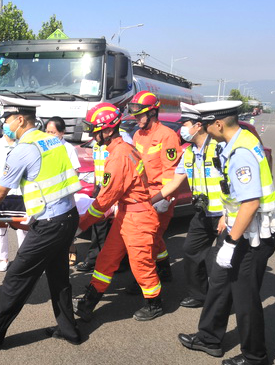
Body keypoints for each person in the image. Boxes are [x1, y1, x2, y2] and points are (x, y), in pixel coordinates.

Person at [0, 97, 83, 350]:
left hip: (50, 225)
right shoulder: (53, 140)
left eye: (6, 120)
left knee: (16, 277)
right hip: (68, 218)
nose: (4, 126)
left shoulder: (24, 148)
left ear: (20, 119)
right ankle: (69, 330)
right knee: (59, 277)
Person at [178, 100, 275, 365]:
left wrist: (232, 242)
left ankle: (255, 356)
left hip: (251, 236)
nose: (203, 129)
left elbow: (251, 202)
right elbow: (234, 194)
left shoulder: (240, 153)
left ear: (219, 124)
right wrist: (226, 215)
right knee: (220, 282)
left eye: (205, 124)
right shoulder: (237, 141)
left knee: (245, 298)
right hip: (240, 229)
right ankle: (209, 337)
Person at [73, 103, 163, 322]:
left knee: (141, 264)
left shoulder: (119, 156)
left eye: (95, 130)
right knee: (106, 259)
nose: (93, 135)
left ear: (108, 130)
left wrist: (81, 224)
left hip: (138, 217)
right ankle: (90, 300)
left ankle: (154, 303)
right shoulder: (120, 150)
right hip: (127, 214)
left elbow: (104, 200)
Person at [149, 102, 224, 308]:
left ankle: (222, 303)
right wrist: (150, 201)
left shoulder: (219, 148)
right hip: (202, 213)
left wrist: (228, 214)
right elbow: (174, 182)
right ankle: (199, 295)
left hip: (225, 214)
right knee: (191, 251)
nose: (182, 128)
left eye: (186, 123)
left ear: (198, 125)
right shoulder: (189, 152)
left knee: (223, 261)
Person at [129, 91, 182, 281]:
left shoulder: (167, 136)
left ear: (152, 113)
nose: (136, 118)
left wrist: (163, 199)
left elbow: (170, 171)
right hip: (142, 195)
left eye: (140, 114)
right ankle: (164, 269)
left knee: (147, 239)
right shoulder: (137, 135)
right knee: (154, 238)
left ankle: (145, 279)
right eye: (135, 115)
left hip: (159, 196)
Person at [0, 134, 28, 272]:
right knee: (0, 226)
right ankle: (3, 258)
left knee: (22, 227)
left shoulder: (23, 143)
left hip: (20, 192)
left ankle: (24, 258)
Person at [45, 116, 81, 266]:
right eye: (46, 131)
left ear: (62, 132)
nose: (49, 135)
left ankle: (71, 249)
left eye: (52, 132)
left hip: (64, 193)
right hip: (47, 192)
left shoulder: (68, 148)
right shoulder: (43, 146)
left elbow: (75, 171)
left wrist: (64, 186)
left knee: (65, 225)